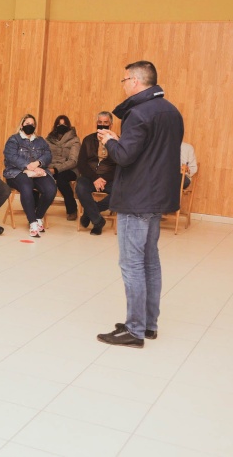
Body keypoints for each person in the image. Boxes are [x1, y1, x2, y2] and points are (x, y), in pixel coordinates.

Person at [96, 61, 183, 348]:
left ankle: (134, 330)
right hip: (157, 196)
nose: (123, 85)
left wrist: (110, 141)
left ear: (134, 81)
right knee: (150, 261)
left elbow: (125, 156)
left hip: (137, 197)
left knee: (132, 263)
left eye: (124, 80)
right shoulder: (172, 111)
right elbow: (151, 153)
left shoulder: (138, 113)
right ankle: (148, 324)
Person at [3, 114, 57, 238]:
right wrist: (28, 166)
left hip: (37, 171)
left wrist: (38, 163)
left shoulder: (40, 140)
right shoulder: (14, 140)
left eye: (32, 124)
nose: (30, 126)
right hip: (16, 172)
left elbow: (48, 155)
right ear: (22, 125)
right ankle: (32, 223)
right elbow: (11, 156)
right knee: (26, 186)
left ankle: (38, 217)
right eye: (27, 124)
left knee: (51, 189)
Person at [75, 111, 118, 235]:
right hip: (90, 177)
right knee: (80, 187)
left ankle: (89, 213)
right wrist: (95, 178)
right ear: (96, 124)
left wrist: (103, 179)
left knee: (121, 191)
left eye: (105, 122)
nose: (102, 125)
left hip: (109, 179)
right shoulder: (88, 140)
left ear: (111, 125)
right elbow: (81, 164)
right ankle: (98, 221)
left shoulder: (117, 141)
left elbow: (119, 166)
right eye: (100, 122)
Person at [45, 115, 80, 220]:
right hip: (51, 168)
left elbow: (73, 161)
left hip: (69, 169)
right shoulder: (48, 140)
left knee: (61, 179)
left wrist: (56, 169)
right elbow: (44, 156)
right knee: (38, 177)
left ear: (68, 126)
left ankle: (72, 209)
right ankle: (36, 208)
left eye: (64, 124)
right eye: (59, 124)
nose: (61, 126)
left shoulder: (74, 140)